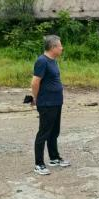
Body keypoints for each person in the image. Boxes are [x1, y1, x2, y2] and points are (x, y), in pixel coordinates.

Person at [31, 35, 71, 175]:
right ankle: (39, 164)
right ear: (53, 47)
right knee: (44, 133)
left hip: (56, 102)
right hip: (46, 103)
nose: (62, 48)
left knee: (54, 132)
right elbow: (35, 82)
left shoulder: (53, 61)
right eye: (60, 46)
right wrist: (36, 99)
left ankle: (54, 158)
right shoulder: (42, 61)